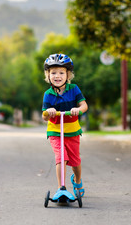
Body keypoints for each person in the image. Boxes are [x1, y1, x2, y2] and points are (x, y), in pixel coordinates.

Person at [42, 53, 88, 198]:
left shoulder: (74, 89)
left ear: (68, 75)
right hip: (55, 131)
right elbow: (43, 115)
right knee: (61, 157)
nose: (57, 76)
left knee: (75, 161)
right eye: (53, 72)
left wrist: (78, 110)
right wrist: (48, 112)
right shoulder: (48, 94)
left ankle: (77, 180)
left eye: (61, 72)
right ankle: (61, 188)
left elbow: (84, 105)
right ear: (48, 75)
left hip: (72, 131)